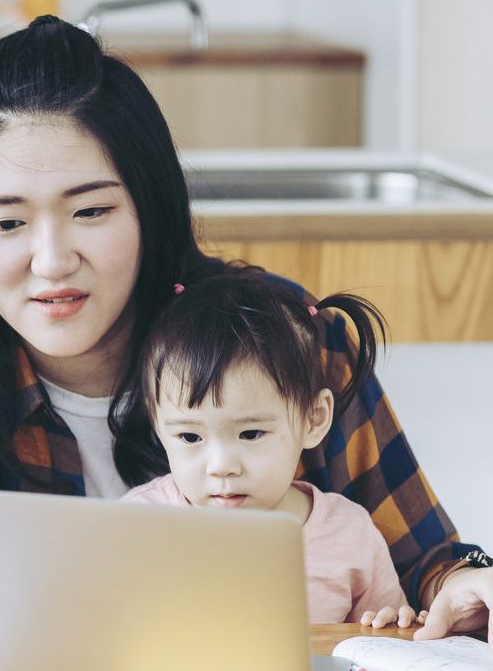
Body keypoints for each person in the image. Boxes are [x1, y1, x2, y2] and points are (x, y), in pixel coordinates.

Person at [0, 16, 493, 661]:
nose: (51, 261)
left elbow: (425, 560)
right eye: (7, 222)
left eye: (90, 212)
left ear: (149, 207)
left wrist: (474, 580)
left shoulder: (277, 338)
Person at [124, 269, 423, 627]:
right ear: (156, 421)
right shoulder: (135, 525)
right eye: (190, 438)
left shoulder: (350, 535)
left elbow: (385, 648)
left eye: (250, 434)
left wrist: (393, 626)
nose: (221, 466)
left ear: (313, 419)